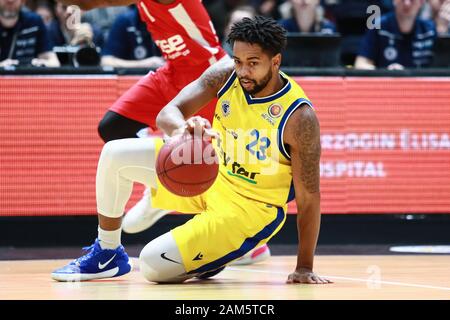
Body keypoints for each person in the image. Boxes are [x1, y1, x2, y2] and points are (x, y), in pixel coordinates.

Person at [51, 16, 332, 285]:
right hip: (211, 175)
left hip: (249, 208)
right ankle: (108, 253)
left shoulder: (300, 118)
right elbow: (168, 112)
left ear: (276, 61)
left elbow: (309, 199)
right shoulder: (225, 74)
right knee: (115, 153)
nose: (243, 71)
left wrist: (304, 267)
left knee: (152, 264)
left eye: (253, 63)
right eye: (238, 61)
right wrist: (182, 129)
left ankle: (225, 252)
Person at [55, 0, 270, 265]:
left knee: (217, 163)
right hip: (172, 71)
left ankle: (250, 241)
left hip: (208, 73)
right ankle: (161, 186)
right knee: (113, 127)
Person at [354, 0, 436, 70]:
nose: (407, 3)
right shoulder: (378, 26)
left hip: (420, 86)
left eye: (412, 0)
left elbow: (440, 68)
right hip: (385, 86)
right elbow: (360, 64)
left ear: (421, 2)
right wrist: (385, 73)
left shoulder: (430, 30)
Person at [101, 4, 165, 69]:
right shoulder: (125, 20)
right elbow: (106, 61)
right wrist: (142, 64)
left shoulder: (171, 20)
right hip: (136, 76)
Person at [0, 0, 59, 67]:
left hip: (27, 74)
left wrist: (35, 63)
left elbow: (54, 62)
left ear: (23, 1)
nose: (10, 1)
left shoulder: (34, 21)